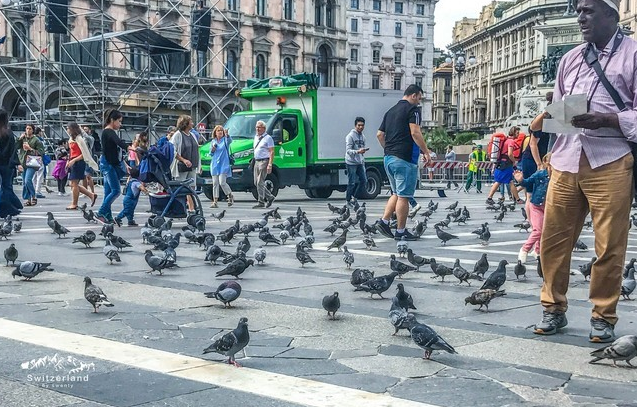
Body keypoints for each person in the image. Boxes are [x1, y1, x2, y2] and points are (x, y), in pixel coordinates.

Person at [531, 0, 635, 343]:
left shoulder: (633, 54)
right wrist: (555, 114)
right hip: (566, 158)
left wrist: (608, 119)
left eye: (588, 11)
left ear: (610, 14)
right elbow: (560, 110)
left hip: (611, 158)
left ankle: (603, 315)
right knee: (553, 241)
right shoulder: (570, 58)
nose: (580, 17)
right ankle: (552, 308)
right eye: (578, 11)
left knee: (609, 245)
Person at [375, 85, 430, 241]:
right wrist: (426, 152)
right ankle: (400, 231)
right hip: (404, 159)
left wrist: (390, 149)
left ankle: (384, 221)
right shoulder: (413, 110)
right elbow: (415, 132)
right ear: (413, 95)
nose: (419, 102)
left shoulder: (390, 111)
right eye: (419, 98)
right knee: (404, 196)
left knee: (396, 193)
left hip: (388, 159)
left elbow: (379, 135)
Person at [96, 109, 134, 224]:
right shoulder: (109, 131)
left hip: (108, 163)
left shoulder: (108, 132)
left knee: (108, 191)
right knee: (116, 190)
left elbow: (116, 150)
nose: (120, 124)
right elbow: (118, 142)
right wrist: (129, 147)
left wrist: (124, 163)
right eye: (119, 121)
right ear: (112, 120)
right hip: (108, 164)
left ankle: (107, 216)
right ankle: (101, 213)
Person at [514, 153, 551, 263]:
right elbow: (527, 182)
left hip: (549, 207)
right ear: (545, 163)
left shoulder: (558, 177)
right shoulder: (540, 174)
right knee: (538, 230)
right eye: (550, 163)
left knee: (545, 231)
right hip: (536, 206)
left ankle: (537, 251)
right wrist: (520, 180)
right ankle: (524, 249)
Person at [486, 126, 523, 205]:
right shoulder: (511, 141)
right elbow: (510, 153)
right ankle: (490, 198)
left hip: (501, 163)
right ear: (513, 133)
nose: (518, 134)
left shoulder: (506, 140)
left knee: (505, 181)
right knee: (504, 181)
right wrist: (514, 161)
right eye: (517, 133)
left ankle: (517, 199)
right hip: (506, 164)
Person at [65, 122, 98, 210]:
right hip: (74, 161)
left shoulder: (79, 139)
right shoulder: (72, 139)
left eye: (68, 128)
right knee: (73, 184)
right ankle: (91, 195)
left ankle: (74, 203)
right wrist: (69, 161)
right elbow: (72, 152)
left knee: (74, 183)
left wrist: (73, 160)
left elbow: (84, 153)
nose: (67, 130)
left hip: (78, 162)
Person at [170, 115, 200, 212]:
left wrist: (199, 165)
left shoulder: (192, 135)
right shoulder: (178, 135)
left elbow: (196, 149)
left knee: (191, 188)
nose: (192, 123)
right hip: (181, 166)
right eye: (191, 121)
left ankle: (191, 208)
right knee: (181, 188)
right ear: (186, 123)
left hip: (192, 166)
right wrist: (183, 160)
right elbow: (173, 150)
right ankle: (180, 207)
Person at [0, 108, 22, 218]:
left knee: (4, 187)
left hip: (3, 163)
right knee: (7, 186)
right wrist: (16, 164)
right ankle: (9, 207)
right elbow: (13, 150)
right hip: (7, 164)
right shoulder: (8, 132)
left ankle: (10, 207)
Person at [17, 124, 44, 206]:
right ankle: (28, 199)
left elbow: (41, 152)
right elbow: (16, 147)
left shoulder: (36, 140)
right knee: (24, 183)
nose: (28, 130)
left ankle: (33, 196)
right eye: (27, 128)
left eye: (30, 129)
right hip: (23, 162)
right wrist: (19, 139)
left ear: (33, 130)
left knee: (27, 180)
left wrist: (30, 149)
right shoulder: (23, 138)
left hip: (32, 163)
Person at [209, 125, 234, 208]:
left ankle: (229, 195)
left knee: (222, 182)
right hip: (215, 164)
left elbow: (230, 141)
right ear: (215, 133)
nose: (220, 132)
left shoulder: (225, 140)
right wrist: (213, 149)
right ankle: (215, 201)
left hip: (224, 163)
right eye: (218, 130)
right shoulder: (213, 141)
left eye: (221, 130)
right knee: (215, 183)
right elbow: (211, 153)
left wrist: (227, 135)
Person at [252, 120, 275, 209]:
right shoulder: (256, 137)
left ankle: (261, 201)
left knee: (260, 182)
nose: (257, 129)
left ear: (264, 128)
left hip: (264, 161)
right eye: (256, 127)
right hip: (256, 161)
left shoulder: (268, 138)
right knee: (256, 182)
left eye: (259, 127)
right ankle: (270, 197)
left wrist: (270, 164)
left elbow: (272, 151)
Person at [345, 117, 368, 205]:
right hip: (351, 162)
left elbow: (361, 150)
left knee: (364, 180)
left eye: (362, 125)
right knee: (352, 182)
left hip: (359, 162)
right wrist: (358, 151)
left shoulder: (363, 137)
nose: (360, 127)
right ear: (355, 126)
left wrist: (362, 157)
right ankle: (348, 200)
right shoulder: (350, 136)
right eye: (359, 125)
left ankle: (354, 197)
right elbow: (348, 150)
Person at [81, 127, 96, 195]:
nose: (84, 130)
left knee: (88, 176)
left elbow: (86, 136)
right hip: (82, 158)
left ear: (89, 130)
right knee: (83, 176)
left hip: (88, 159)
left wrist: (80, 129)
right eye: (84, 129)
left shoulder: (91, 139)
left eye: (86, 129)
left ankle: (92, 192)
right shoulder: (82, 139)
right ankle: (85, 192)